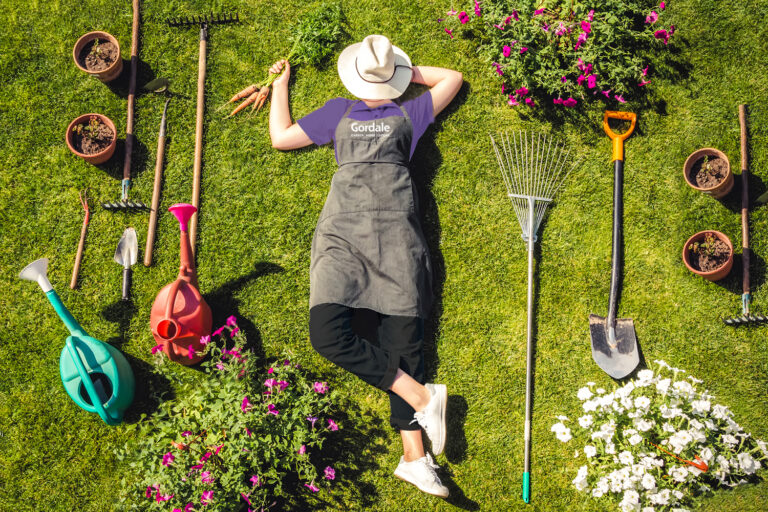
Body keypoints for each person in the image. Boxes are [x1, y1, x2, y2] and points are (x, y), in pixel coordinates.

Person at [268, 34, 463, 498]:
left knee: (404, 344)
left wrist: (395, 74)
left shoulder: (409, 114)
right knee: (327, 335)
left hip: (397, 233)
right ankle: (421, 396)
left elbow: (455, 79)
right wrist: (282, 85)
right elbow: (281, 139)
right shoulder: (342, 111)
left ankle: (415, 457)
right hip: (344, 235)